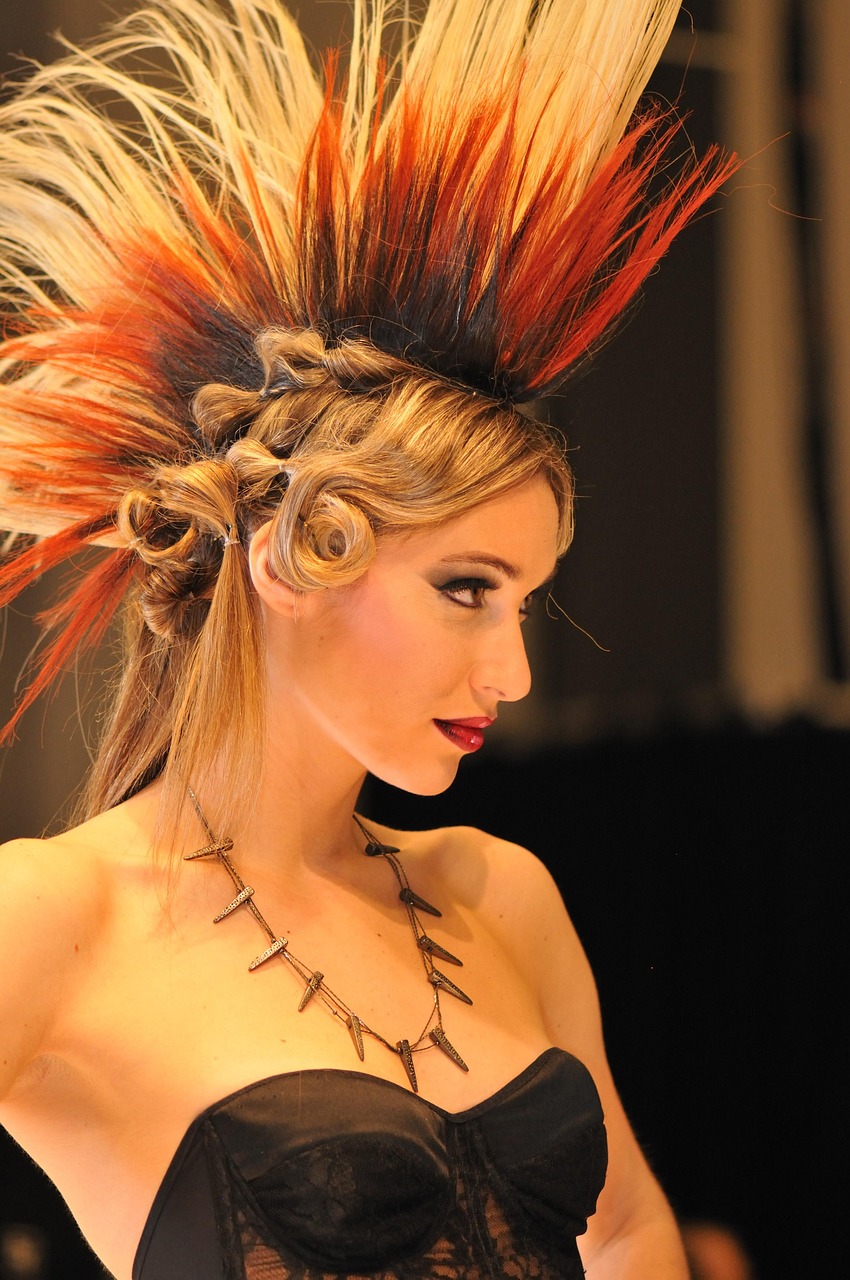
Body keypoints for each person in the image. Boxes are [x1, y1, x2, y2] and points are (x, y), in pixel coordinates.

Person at [0, 2, 736, 1277]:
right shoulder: (61, 914)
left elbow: (624, 1226)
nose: (510, 671)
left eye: (523, 601)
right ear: (292, 558)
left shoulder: (498, 893)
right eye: (465, 589)